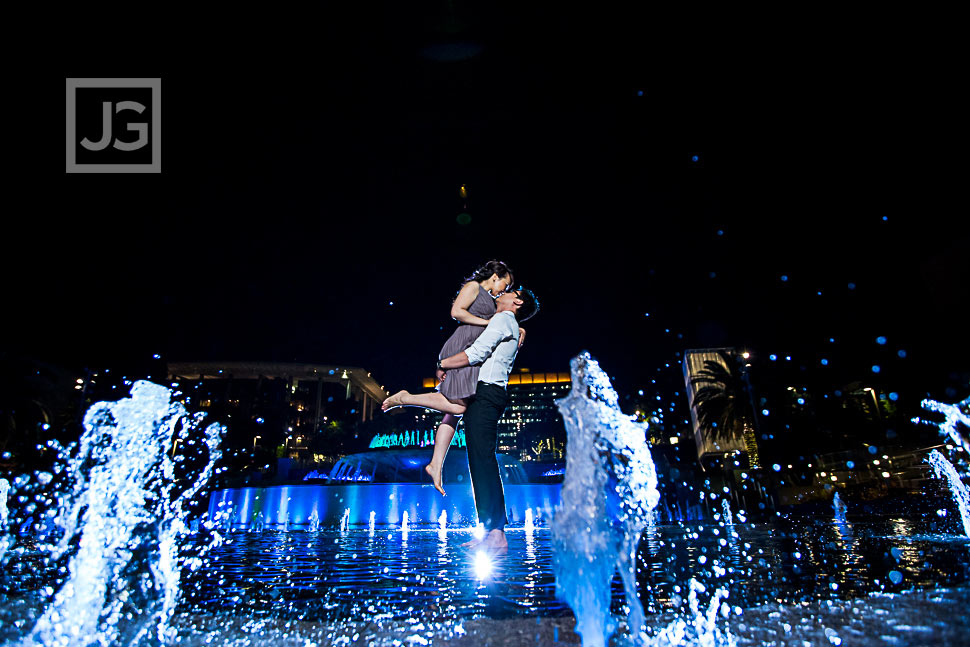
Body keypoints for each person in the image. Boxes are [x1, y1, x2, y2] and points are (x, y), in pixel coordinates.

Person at [381, 261, 525, 496]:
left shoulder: (492, 300)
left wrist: (520, 328)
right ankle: (406, 397)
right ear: (496, 276)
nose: (503, 290)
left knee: (455, 412)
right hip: (464, 345)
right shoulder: (473, 287)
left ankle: (436, 465)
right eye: (505, 284)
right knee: (457, 406)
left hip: (472, 351)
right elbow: (456, 312)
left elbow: (506, 321)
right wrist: (488, 322)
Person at [437, 287, 540, 553]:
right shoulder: (509, 323)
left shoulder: (504, 319)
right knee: (480, 460)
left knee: (482, 459)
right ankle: (490, 530)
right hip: (487, 394)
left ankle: (497, 533)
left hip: (486, 394)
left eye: (511, 291)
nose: (502, 292)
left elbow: (476, 353)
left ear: (517, 302)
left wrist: (443, 363)